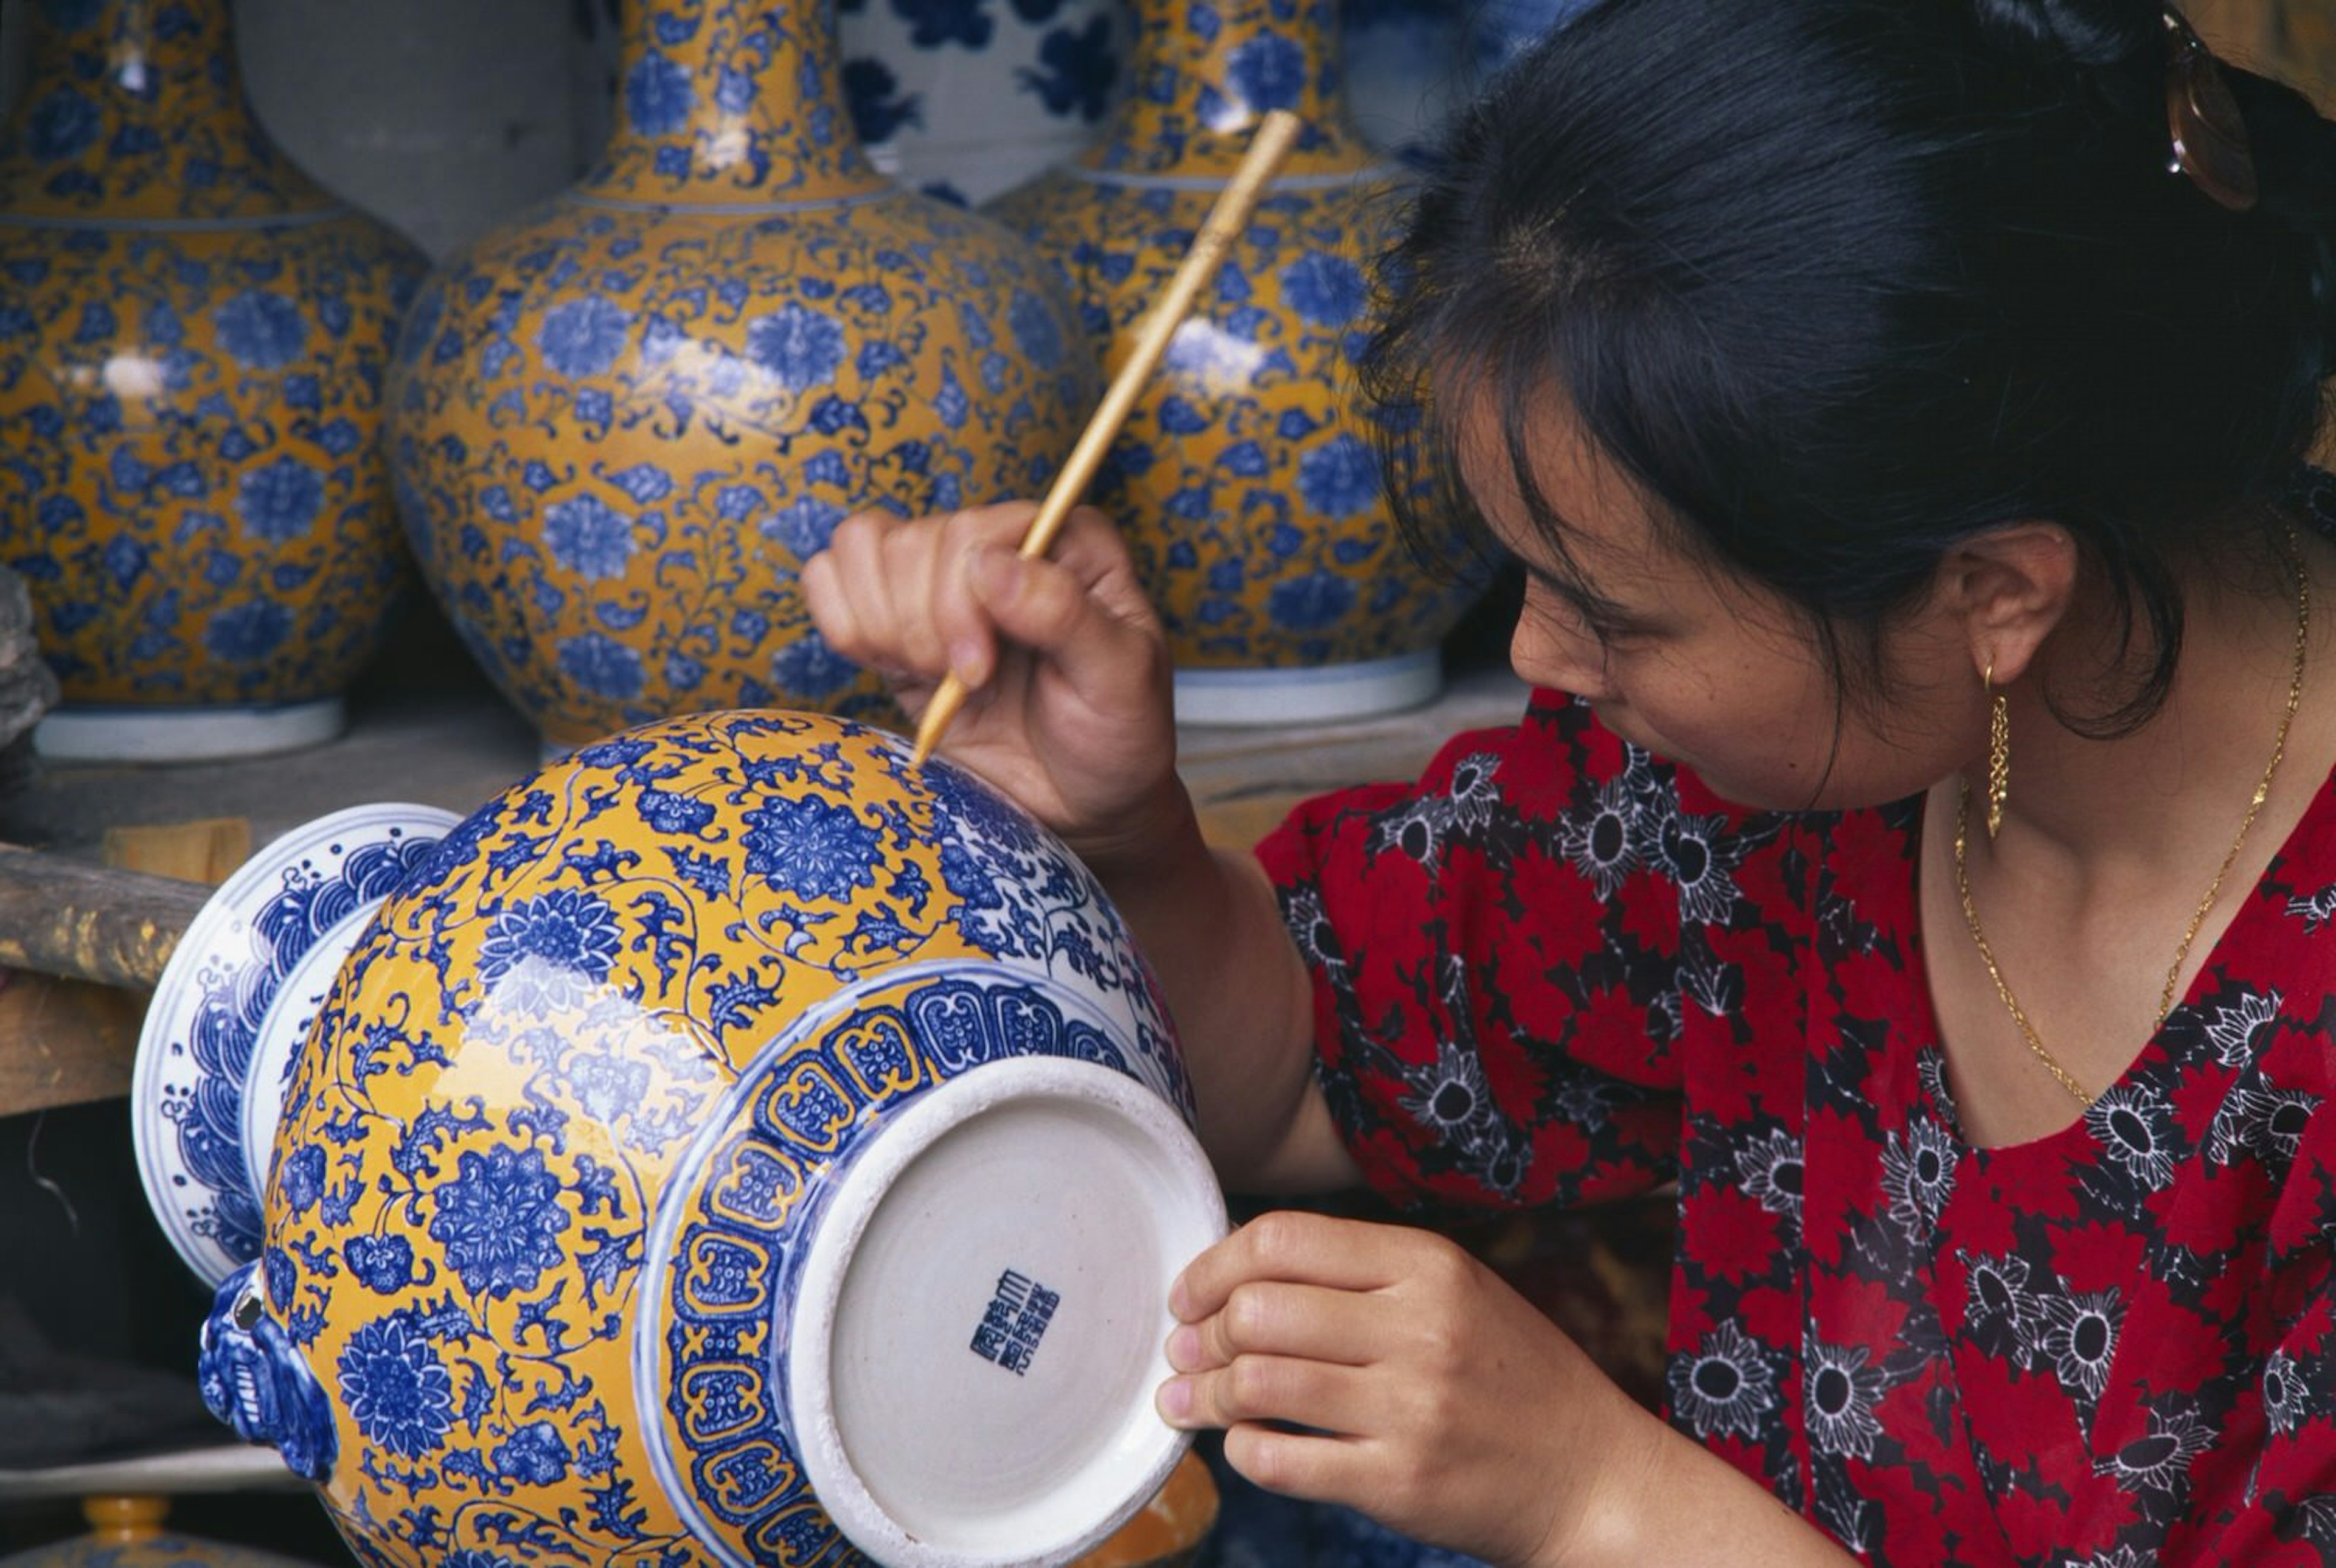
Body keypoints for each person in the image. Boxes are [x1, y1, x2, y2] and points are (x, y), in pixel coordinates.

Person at [802, 0, 2336, 1559]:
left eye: (1616, 612)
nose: (1538, 652)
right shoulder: (1754, 791)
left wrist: (1595, 1491)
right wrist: (1124, 831)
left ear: (1993, 593)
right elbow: (1310, 1064)